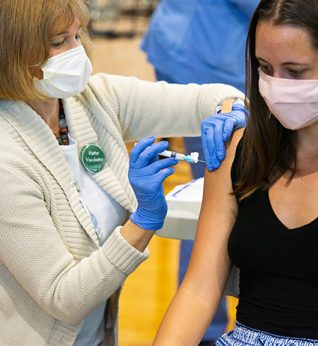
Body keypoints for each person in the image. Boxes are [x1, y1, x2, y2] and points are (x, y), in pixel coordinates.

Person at [153, 0, 318, 345]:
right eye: (264, 67)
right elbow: (198, 289)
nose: (275, 85)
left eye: (295, 72)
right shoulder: (238, 152)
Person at [0, 1, 247, 345]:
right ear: (13, 51)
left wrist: (231, 110)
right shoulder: (6, 158)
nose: (77, 52)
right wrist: (142, 222)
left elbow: (204, 99)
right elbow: (65, 298)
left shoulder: (91, 100)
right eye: (60, 42)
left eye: (78, 35)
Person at [141, 2, 258, 342]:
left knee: (213, 192)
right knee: (212, 196)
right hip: (206, 56)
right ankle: (205, 331)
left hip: (193, 42)